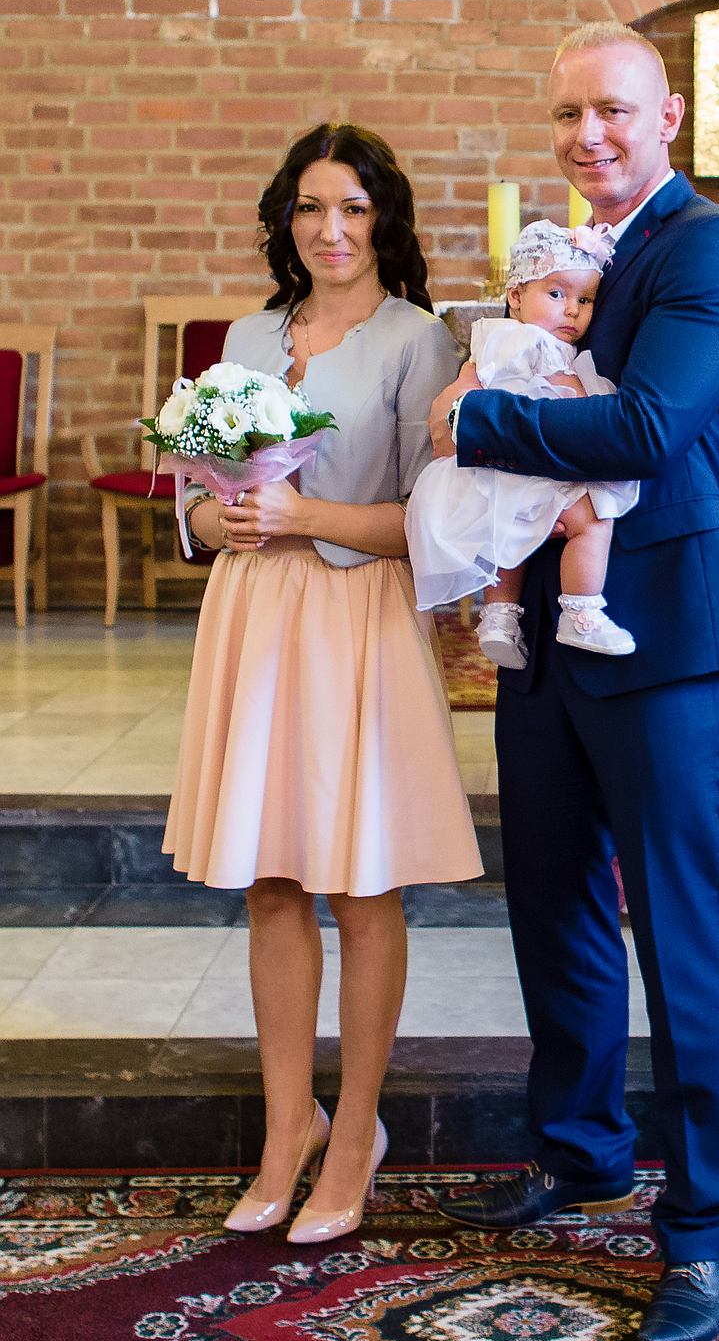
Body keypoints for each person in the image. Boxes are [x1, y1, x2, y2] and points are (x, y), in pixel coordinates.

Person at [429, 23, 719, 1341]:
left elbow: (643, 428)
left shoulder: (712, 250)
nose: (589, 135)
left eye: (614, 110)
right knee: (552, 900)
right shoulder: (563, 258)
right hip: (546, 632)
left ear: (668, 115)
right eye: (568, 112)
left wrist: (477, 416)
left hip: (662, 636)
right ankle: (580, 1151)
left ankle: (703, 1226)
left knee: (678, 929)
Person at [162, 122, 482, 1246]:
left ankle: (355, 1137)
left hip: (356, 617)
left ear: (383, 218)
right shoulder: (248, 335)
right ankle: (286, 1126)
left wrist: (303, 515)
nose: (329, 229)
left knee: (361, 883)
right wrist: (222, 521)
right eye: (309, 207)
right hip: (253, 613)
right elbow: (193, 500)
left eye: (351, 206)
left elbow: (432, 521)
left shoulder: (417, 341)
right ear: (285, 219)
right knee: (269, 881)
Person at [405, 218, 638, 667]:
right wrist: (590, 401)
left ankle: (498, 617)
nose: (572, 311)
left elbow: (475, 386)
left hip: (500, 465)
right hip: (525, 455)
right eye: (557, 294)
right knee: (594, 519)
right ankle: (582, 611)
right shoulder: (529, 342)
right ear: (515, 297)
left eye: (584, 299)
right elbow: (547, 394)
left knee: (507, 536)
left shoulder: (503, 340)